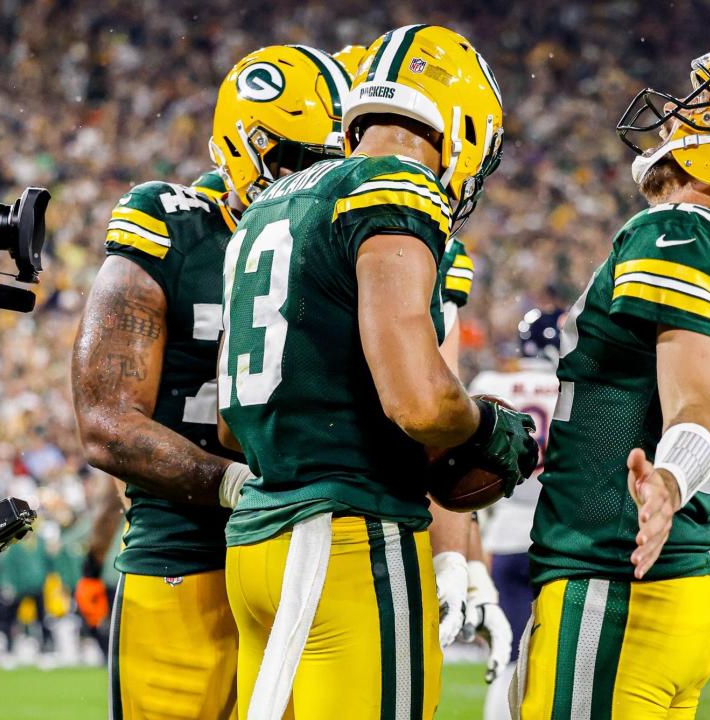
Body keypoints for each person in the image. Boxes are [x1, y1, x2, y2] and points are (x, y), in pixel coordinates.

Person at [218, 25, 537, 719]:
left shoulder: (267, 203)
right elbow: (421, 403)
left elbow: (232, 427)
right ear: (463, 124)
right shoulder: (393, 186)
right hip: (345, 540)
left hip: (256, 547)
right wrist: (488, 428)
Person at [513, 50, 710, 718]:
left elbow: (697, 405)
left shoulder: (679, 232)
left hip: (615, 586)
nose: (674, 118)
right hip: (685, 599)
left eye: (702, 108)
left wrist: (669, 480)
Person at [71, 44, 351, 719]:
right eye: (293, 154)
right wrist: (235, 486)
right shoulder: (171, 224)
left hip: (305, 556)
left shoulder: (339, 240)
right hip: (185, 554)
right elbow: (106, 423)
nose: (307, 175)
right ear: (242, 140)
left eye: (325, 161)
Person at [471, 306, 563, 720]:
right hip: (557, 536)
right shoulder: (568, 387)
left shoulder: (492, 382)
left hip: (506, 532)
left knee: (508, 655)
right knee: (558, 659)